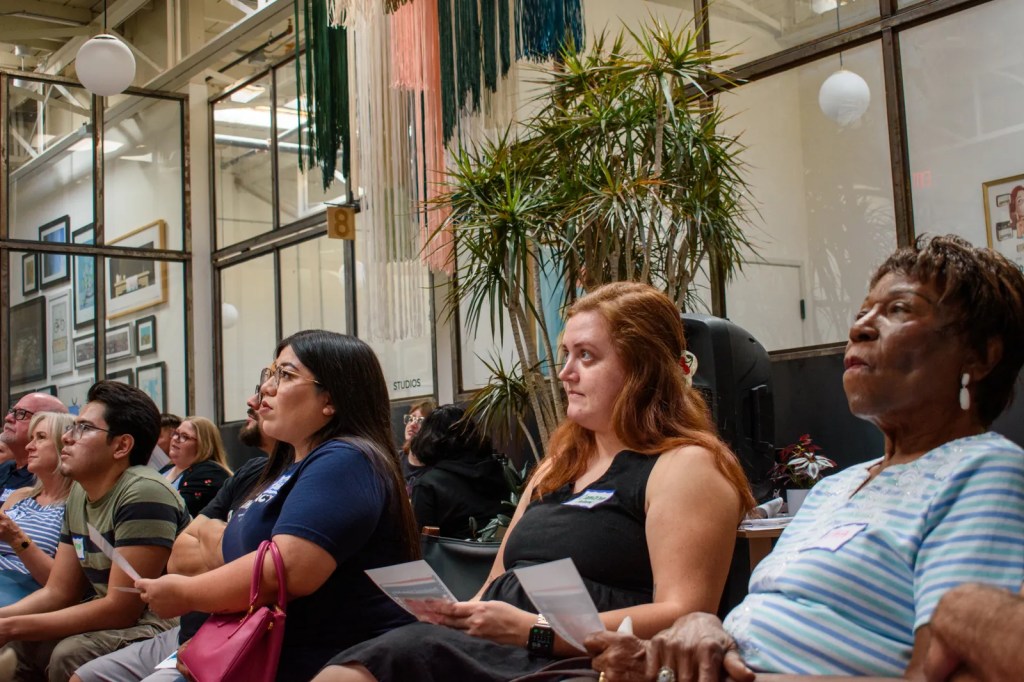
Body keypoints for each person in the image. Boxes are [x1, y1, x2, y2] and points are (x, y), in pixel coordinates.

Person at [586, 235, 1024, 681]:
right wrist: (698, 634)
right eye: (861, 313)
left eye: (898, 310)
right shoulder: (836, 486)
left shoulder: (981, 470)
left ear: (982, 355)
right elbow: (781, 626)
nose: (860, 329)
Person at [315, 282, 755, 682]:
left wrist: (533, 630)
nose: (565, 373)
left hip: (583, 661)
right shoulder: (558, 465)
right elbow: (496, 581)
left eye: (586, 356)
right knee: (360, 663)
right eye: (566, 354)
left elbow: (684, 618)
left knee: (375, 665)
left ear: (644, 369)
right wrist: (459, 613)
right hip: (498, 647)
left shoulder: (686, 466)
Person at [136, 330, 421, 682]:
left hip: (329, 662)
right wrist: (252, 556)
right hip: (251, 647)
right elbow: (192, 554)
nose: (265, 389)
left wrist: (188, 591)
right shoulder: (287, 468)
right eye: (269, 374)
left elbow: (284, 570)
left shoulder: (347, 457)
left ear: (329, 399)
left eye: (285, 375)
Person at [71, 390, 281, 682]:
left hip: (234, 628)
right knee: (84, 676)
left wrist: (211, 537)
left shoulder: (203, 474)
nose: (252, 401)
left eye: (185, 437)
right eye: (176, 435)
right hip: (192, 622)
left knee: (68, 654)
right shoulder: (251, 470)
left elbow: (269, 570)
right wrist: (230, 545)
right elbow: (180, 557)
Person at [0, 381, 190, 681]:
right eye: (71, 427)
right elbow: (58, 591)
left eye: (83, 428)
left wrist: (12, 625)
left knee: (68, 653)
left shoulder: (143, 491)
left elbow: (121, 608)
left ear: (121, 446)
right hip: (119, 616)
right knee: (19, 645)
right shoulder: (79, 493)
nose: (66, 438)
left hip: (160, 622)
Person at [0, 412, 75, 605]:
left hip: (20, 592)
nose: (29, 446)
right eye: (31, 438)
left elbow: (63, 586)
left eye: (40, 438)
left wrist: (16, 537)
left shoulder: (74, 507)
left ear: (65, 446)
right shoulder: (21, 495)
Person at [408, 404, 508, 538]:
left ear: (429, 437)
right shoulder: (499, 472)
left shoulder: (428, 486)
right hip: (500, 555)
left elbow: (420, 543)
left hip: (451, 558)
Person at [159, 416, 232, 517]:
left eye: (184, 436)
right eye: (176, 433)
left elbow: (178, 512)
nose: (175, 439)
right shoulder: (166, 469)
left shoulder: (209, 472)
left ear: (203, 444)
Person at [0, 394, 68, 501]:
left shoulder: (45, 477)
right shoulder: (4, 467)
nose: (8, 418)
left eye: (21, 413)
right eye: (12, 411)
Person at [401, 399, 436, 492]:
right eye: (411, 418)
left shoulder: (436, 467)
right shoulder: (394, 461)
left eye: (420, 421)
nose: (412, 424)